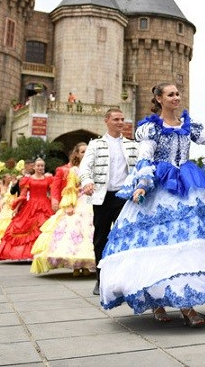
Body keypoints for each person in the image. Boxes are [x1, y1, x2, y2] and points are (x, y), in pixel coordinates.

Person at [98, 83, 205, 325]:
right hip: (160, 187)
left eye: (178, 93)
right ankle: (158, 302)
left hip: (187, 188)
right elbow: (146, 156)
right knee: (159, 246)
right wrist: (143, 183)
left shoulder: (188, 125)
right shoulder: (151, 129)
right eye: (171, 94)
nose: (176, 97)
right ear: (159, 98)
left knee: (186, 246)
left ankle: (187, 304)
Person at [79, 108, 139, 295]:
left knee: (126, 238)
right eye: (116, 119)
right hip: (102, 197)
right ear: (107, 121)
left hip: (124, 198)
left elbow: (139, 169)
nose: (120, 122)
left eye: (122, 119)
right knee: (101, 238)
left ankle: (125, 279)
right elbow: (85, 167)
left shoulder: (132, 145)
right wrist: (87, 182)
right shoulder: (96, 144)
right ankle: (101, 279)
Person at [31, 142, 96, 276]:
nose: (85, 154)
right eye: (82, 151)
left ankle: (86, 265)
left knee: (90, 231)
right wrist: (69, 205)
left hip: (92, 201)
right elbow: (70, 189)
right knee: (75, 231)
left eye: (87, 151)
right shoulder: (74, 170)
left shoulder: (94, 168)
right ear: (77, 154)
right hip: (79, 201)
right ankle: (76, 267)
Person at [0, 158, 54, 261]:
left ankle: (43, 252)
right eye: (38, 166)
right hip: (31, 206)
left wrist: (55, 205)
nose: (40, 168)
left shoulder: (48, 179)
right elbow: (23, 195)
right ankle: (29, 253)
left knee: (45, 228)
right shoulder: (28, 180)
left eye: (42, 166)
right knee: (29, 228)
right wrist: (17, 208)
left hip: (45, 206)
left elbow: (52, 193)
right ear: (34, 167)